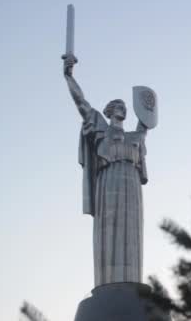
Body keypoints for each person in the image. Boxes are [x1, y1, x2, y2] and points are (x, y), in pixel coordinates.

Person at [63, 54, 148, 286]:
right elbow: (81, 102)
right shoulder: (99, 127)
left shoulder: (135, 137)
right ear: (109, 111)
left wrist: (148, 108)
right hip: (109, 179)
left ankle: (132, 283)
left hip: (131, 182)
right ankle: (108, 283)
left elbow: (148, 118)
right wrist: (69, 76)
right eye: (117, 105)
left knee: (131, 233)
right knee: (109, 229)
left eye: (124, 106)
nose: (121, 107)